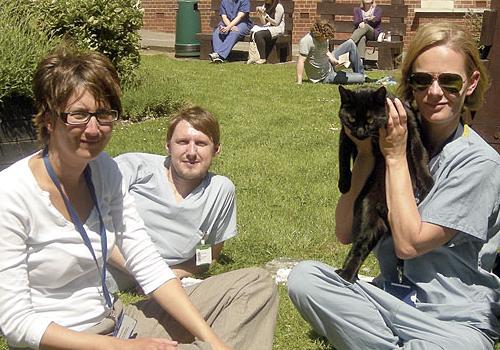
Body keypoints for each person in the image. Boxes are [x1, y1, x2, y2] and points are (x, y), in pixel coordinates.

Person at [0, 49, 278, 350]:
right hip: (71, 341)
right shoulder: (12, 193)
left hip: (119, 322)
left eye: (103, 114)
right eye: (79, 115)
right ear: (50, 119)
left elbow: (147, 262)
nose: (94, 129)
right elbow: (16, 324)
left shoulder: (104, 171)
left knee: (255, 286)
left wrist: (212, 340)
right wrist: (126, 348)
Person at [288, 21, 500, 350]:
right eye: (421, 80)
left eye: (449, 81)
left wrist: (396, 158)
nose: (434, 92)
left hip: (451, 320)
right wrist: (366, 157)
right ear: (409, 85)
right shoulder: (391, 137)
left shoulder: (479, 164)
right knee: (305, 279)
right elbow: (345, 232)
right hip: (390, 298)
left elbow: (409, 245)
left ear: (471, 84)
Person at [106, 106, 237, 290]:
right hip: (99, 263)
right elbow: (90, 224)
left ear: (216, 150)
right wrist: (149, 274)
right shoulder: (133, 168)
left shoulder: (220, 191)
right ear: (168, 146)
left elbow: (209, 256)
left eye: (201, 143)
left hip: (155, 280)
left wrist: (176, 274)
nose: (191, 152)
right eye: (183, 142)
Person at [296, 20, 368, 85]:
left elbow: (326, 51)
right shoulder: (306, 41)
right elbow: (301, 61)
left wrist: (334, 60)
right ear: (318, 34)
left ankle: (360, 72)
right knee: (361, 78)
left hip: (328, 64)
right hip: (324, 77)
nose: (326, 40)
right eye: (325, 38)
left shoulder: (324, 38)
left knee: (351, 43)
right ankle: (361, 77)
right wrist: (299, 81)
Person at [246, 0, 285, 64]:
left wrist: (266, 15)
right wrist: (260, 14)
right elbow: (264, 22)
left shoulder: (278, 7)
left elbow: (276, 23)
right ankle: (253, 57)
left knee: (259, 34)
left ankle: (262, 58)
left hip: (278, 29)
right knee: (253, 31)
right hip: (268, 27)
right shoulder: (265, 6)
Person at [351, 0, 383, 69]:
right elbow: (356, 22)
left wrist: (363, 22)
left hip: (373, 34)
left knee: (366, 26)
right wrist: (362, 22)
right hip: (361, 34)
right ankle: (361, 62)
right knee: (362, 37)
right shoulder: (357, 10)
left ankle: (349, 43)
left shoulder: (378, 10)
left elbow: (375, 20)